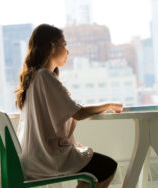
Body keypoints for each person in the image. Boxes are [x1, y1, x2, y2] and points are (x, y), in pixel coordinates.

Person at [15, 24, 123, 188]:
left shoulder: (34, 78)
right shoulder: (44, 76)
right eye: (64, 45)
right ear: (52, 47)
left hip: (33, 157)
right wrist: (108, 105)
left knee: (94, 171)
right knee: (107, 167)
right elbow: (77, 113)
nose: (68, 51)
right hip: (46, 158)